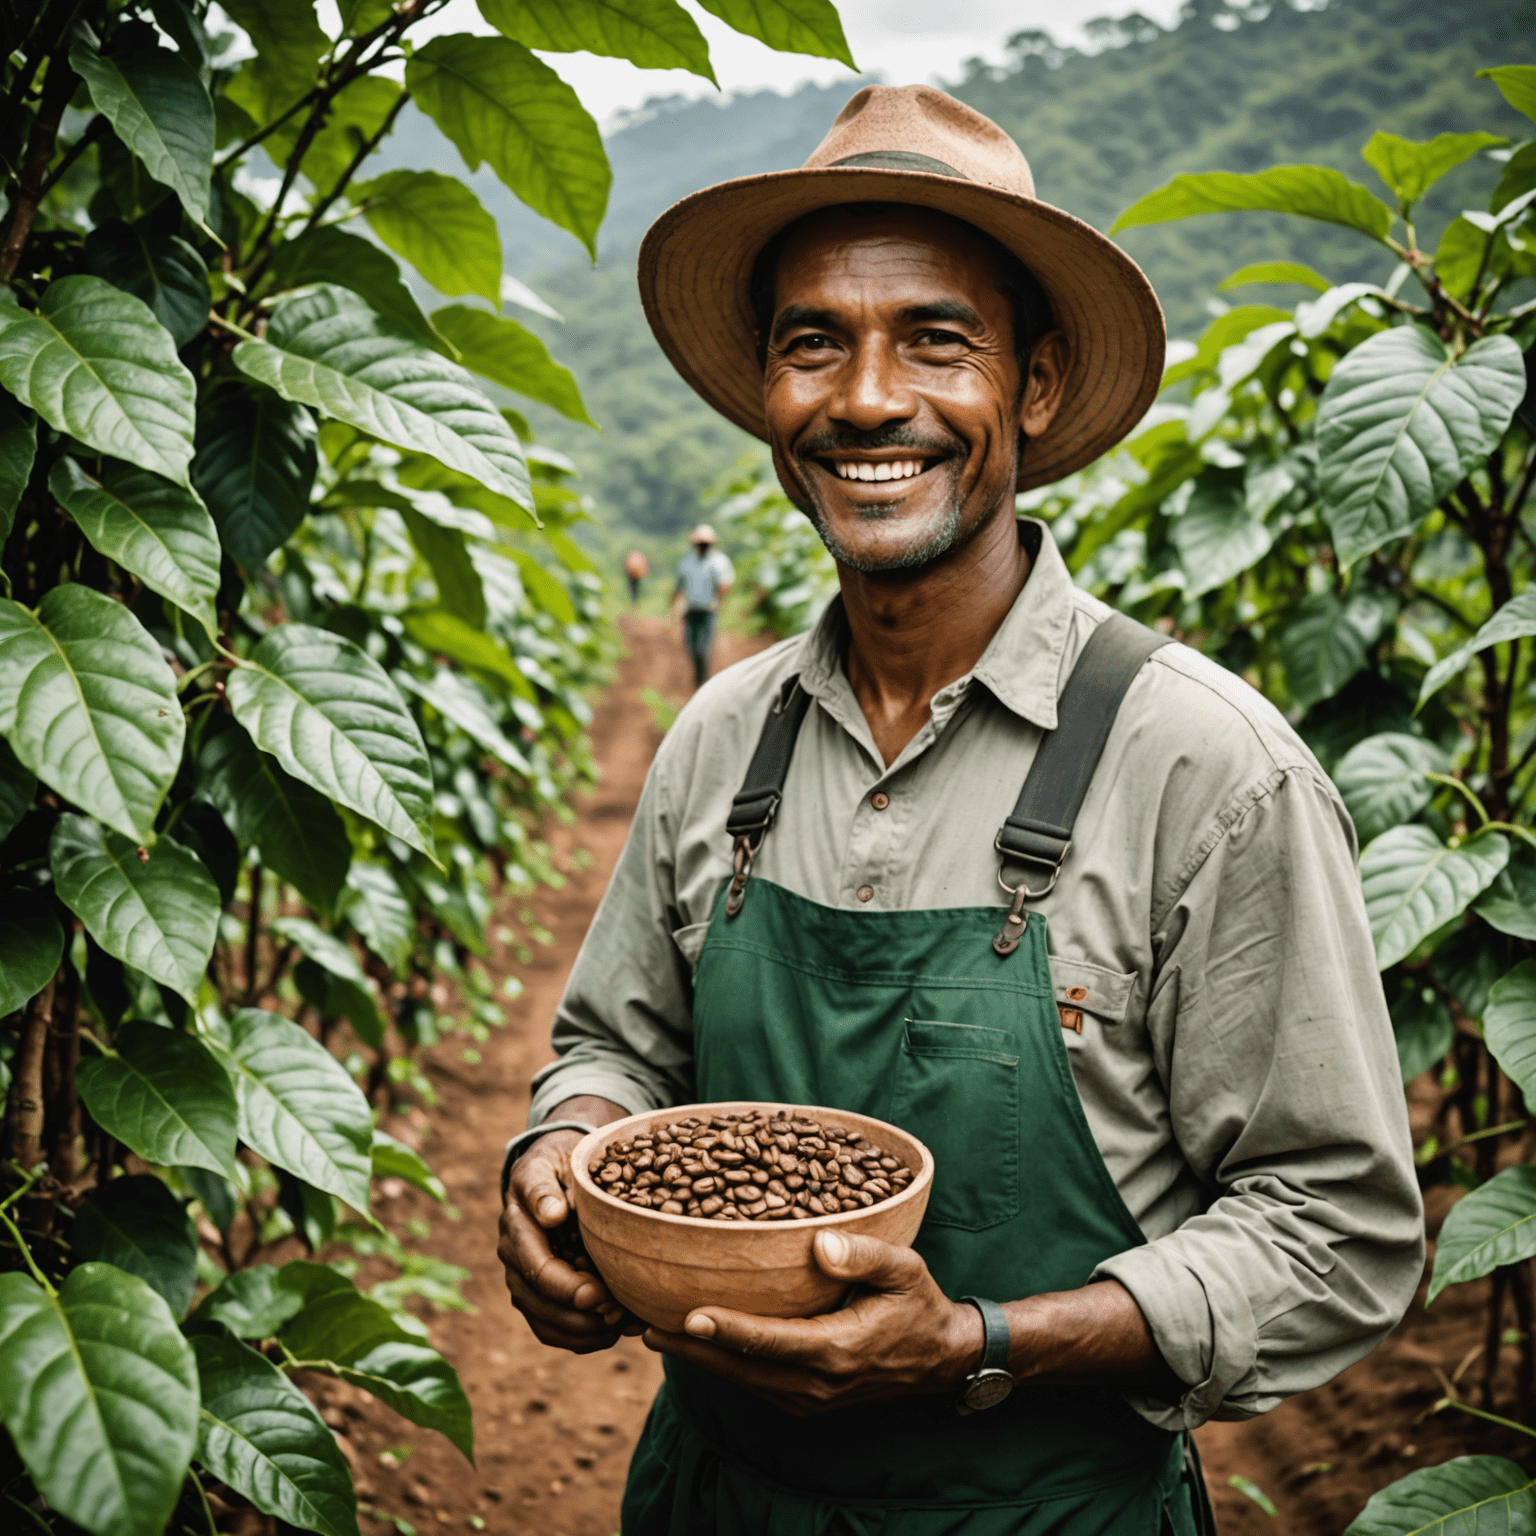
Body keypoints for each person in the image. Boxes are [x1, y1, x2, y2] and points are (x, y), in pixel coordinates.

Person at [498, 84, 1422, 1535]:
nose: (867, 399)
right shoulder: (724, 737)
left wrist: (981, 1345)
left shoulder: (1207, 767)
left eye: (936, 338)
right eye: (814, 343)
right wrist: (562, 1157)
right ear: (770, 392)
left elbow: (1336, 1231)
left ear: (1035, 387)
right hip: (717, 1500)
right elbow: (616, 1042)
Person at [672, 523, 734, 687]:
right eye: (699, 543)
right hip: (691, 610)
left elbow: (725, 583)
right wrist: (675, 605)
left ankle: (702, 679)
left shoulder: (719, 561)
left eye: (705, 544)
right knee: (690, 646)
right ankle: (698, 676)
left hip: (707, 611)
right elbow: (680, 585)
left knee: (702, 648)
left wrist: (717, 601)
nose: (702, 546)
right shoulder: (687, 562)